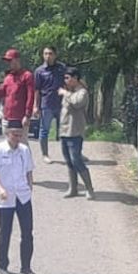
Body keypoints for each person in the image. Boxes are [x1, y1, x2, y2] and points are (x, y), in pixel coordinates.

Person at [0, 120, 38, 274]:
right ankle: (3, 265)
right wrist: (0, 188)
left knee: (27, 233)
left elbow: (29, 170)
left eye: (20, 135)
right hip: (5, 198)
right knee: (5, 232)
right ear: (7, 134)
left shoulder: (24, 150)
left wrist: (29, 186)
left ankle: (26, 268)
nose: (18, 138)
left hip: (23, 196)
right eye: (15, 135)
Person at [58, 68, 94, 200]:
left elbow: (77, 103)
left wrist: (65, 94)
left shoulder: (82, 92)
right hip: (65, 131)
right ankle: (73, 188)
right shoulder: (70, 92)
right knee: (69, 161)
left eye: (68, 78)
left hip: (75, 131)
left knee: (76, 160)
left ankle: (89, 189)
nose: (66, 81)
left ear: (75, 78)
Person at [0, 49, 35, 133]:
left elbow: (31, 96)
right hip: (7, 117)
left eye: (10, 60)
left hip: (20, 117)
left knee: (21, 145)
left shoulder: (27, 76)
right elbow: (0, 94)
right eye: (7, 61)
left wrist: (27, 115)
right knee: (8, 145)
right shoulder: (8, 77)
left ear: (17, 60)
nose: (8, 63)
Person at [32, 46, 66, 163]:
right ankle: (45, 155)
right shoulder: (39, 71)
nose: (48, 56)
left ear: (55, 55)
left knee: (66, 129)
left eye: (50, 53)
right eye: (45, 53)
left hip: (62, 103)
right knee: (44, 130)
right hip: (46, 103)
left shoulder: (62, 68)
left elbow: (69, 82)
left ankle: (73, 153)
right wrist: (35, 106)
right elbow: (36, 90)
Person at [121, 72, 138, 146]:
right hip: (129, 113)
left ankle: (136, 146)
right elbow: (123, 101)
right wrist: (123, 111)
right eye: (137, 78)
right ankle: (127, 145)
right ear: (134, 79)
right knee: (128, 131)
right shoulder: (129, 89)